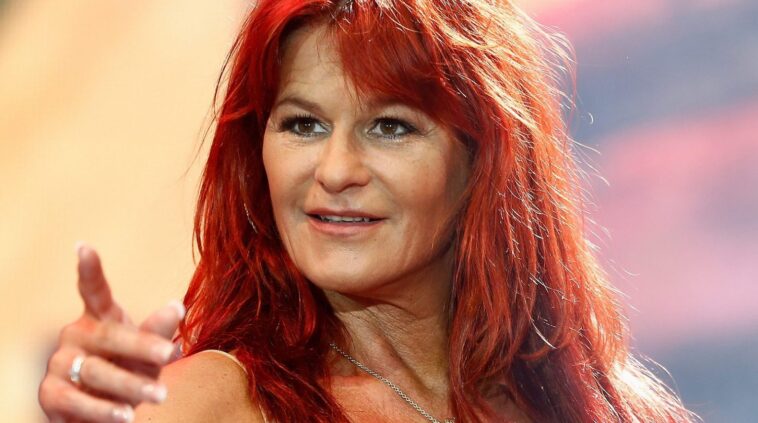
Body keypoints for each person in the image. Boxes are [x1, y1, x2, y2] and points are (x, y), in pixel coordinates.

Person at [38, 0, 698, 422]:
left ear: (483, 160)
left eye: (390, 127)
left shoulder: (606, 407)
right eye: (302, 124)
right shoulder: (209, 403)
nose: (335, 171)